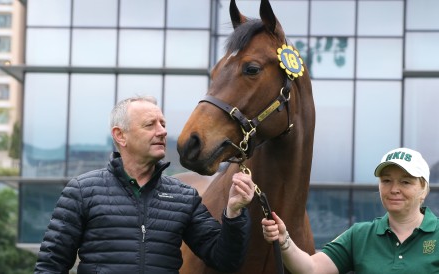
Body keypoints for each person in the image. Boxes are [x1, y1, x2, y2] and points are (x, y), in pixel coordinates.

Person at [35, 96, 255, 273]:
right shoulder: (82, 191)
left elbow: (224, 260)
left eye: (163, 124)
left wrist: (234, 213)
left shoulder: (184, 197)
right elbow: (50, 266)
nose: (162, 131)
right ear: (120, 136)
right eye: (150, 125)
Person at [262, 147, 438, 274]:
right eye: (386, 181)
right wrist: (284, 240)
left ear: (424, 189)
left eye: (405, 182)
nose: (394, 189)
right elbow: (312, 268)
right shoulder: (360, 235)